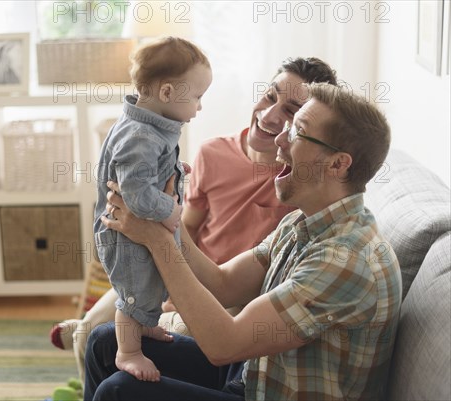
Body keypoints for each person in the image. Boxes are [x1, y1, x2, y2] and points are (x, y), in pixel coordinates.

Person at [85, 82, 402, 400]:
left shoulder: (345, 259)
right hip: (254, 376)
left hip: (265, 391)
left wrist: (156, 239)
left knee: (119, 392)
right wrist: (164, 214)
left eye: (297, 132)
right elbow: (223, 284)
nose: (279, 138)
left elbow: (224, 344)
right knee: (104, 342)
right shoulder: (303, 222)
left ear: (337, 164)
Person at [50, 57, 339, 382]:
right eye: (270, 96)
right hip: (179, 267)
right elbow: (185, 228)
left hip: (233, 301)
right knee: (89, 334)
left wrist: (179, 298)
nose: (270, 115)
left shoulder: (295, 184)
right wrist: (166, 278)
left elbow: (238, 287)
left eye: (290, 111)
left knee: (133, 338)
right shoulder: (212, 153)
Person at [93, 36, 212, 382]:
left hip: (136, 231)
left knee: (152, 285)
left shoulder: (150, 128)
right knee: (135, 290)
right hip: (125, 238)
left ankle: (143, 329)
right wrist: (170, 209)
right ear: (167, 93)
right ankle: (127, 351)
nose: (200, 107)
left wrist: (175, 172)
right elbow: (137, 193)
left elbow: (147, 172)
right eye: (198, 97)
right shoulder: (141, 136)